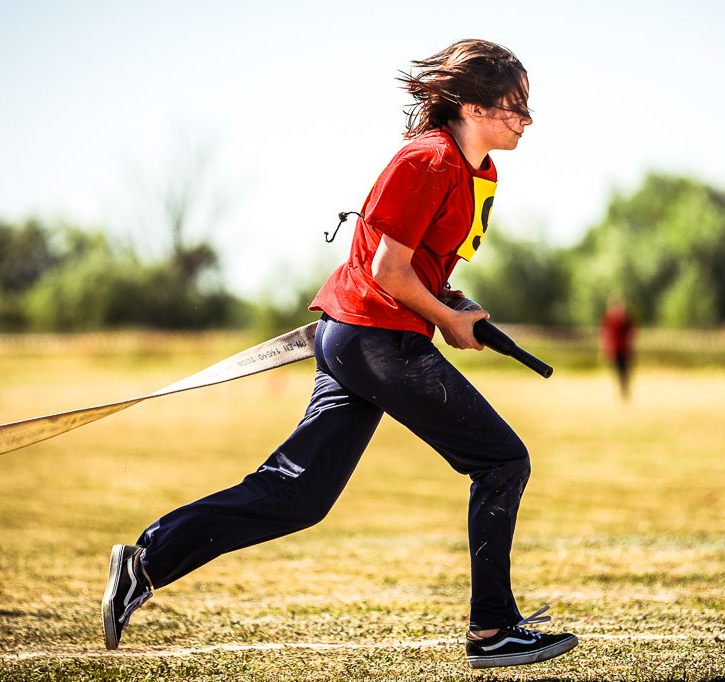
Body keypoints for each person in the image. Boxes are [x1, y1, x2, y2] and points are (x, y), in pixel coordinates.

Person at [100, 39, 578, 670]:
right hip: (375, 337)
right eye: (513, 106)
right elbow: (387, 271)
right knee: (502, 462)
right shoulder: (427, 160)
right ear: (469, 104)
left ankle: (147, 561)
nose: (526, 119)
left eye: (526, 106)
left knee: (299, 496)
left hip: (370, 337)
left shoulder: (479, 172)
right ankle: (493, 632)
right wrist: (447, 322)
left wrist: (453, 303)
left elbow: (422, 270)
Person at [601, 297, 636, 400]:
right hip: (615, 349)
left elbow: (631, 334)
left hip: (623, 349)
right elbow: (606, 334)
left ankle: (625, 390)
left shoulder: (625, 319)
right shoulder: (610, 318)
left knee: (625, 371)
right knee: (618, 371)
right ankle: (622, 391)